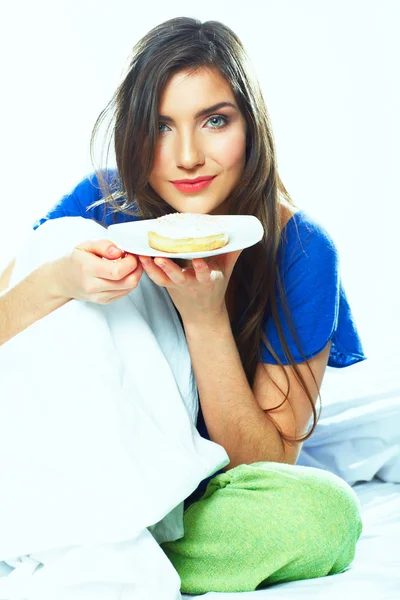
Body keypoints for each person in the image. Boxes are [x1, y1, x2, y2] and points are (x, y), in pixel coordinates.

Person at [0, 17, 366, 595]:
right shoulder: (102, 201)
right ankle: (86, 542)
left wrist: (204, 318)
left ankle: (78, 546)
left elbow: (262, 464)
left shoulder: (301, 251)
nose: (188, 156)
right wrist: (62, 281)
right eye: (160, 126)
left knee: (323, 514)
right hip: (71, 462)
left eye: (214, 121)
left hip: (181, 498)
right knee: (55, 243)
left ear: (251, 126)